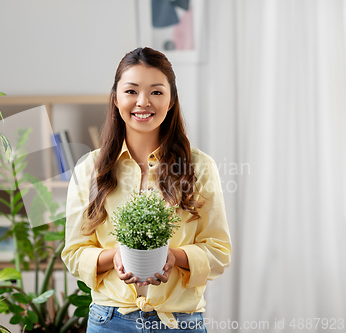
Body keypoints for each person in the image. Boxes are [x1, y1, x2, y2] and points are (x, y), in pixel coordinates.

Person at [61, 47, 231, 332]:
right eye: (131, 91)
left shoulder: (199, 167)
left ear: (171, 99)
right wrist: (113, 257)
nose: (143, 102)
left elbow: (219, 252)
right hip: (110, 321)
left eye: (155, 92)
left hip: (180, 322)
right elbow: (74, 252)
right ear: (115, 98)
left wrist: (175, 257)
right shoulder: (90, 168)